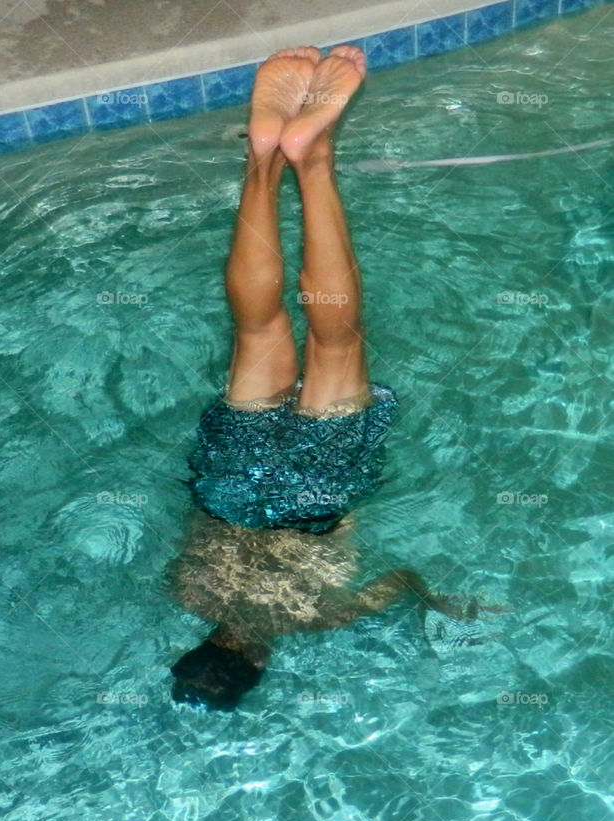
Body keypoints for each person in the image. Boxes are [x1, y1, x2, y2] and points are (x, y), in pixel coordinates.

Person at [169, 46, 481, 711]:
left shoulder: (315, 618)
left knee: (335, 336)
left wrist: (436, 602)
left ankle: (313, 158)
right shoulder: (188, 592)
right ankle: (260, 157)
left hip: (316, 494)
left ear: (256, 662)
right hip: (230, 481)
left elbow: (397, 577)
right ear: (196, 645)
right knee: (255, 331)